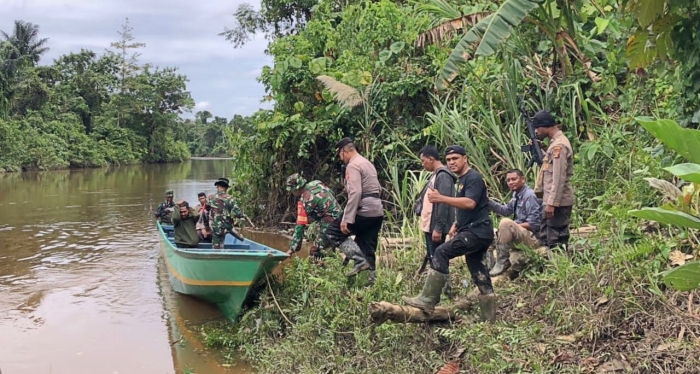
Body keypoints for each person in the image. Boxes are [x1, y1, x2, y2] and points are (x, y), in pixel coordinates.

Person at [402, 145, 496, 321]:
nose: (452, 162)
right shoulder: (462, 179)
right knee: (478, 271)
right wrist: (456, 223)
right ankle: (488, 321)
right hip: (476, 231)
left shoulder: (473, 177)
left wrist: (441, 198)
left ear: (465, 158)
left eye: (455, 159)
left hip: (477, 231)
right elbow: (467, 208)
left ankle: (428, 299)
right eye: (449, 160)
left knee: (441, 251)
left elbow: (470, 203)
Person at [325, 137, 384, 285]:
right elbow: (378, 188)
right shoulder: (367, 163)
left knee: (333, 232)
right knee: (367, 246)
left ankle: (358, 260)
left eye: (339, 154)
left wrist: (347, 219)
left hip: (363, 210)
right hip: (377, 211)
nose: (340, 158)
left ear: (344, 151)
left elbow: (356, 193)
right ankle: (370, 284)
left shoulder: (353, 166)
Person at [488, 169, 543, 276]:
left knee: (505, 223)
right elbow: (505, 211)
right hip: (520, 235)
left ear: (522, 179)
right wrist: (488, 201)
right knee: (488, 231)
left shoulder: (530, 195)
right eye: (508, 180)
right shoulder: (516, 195)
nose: (511, 182)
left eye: (514, 179)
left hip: (533, 238)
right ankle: (489, 265)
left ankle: (503, 262)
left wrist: (512, 227)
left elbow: (534, 224)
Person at [532, 110, 574, 249]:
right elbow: (550, 167)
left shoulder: (559, 146)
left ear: (545, 126)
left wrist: (552, 203)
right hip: (552, 201)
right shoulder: (554, 144)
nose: (536, 131)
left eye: (537, 128)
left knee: (556, 243)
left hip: (558, 203)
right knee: (546, 240)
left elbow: (558, 177)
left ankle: (561, 269)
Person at [416, 146, 456, 276]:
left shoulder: (443, 176)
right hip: (430, 225)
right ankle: (439, 289)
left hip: (435, 226)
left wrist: (438, 227)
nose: (423, 164)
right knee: (433, 258)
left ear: (431, 159)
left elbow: (443, 203)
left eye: (423, 161)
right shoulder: (436, 175)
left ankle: (442, 290)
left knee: (437, 260)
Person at [285, 173, 342, 260]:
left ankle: (321, 270)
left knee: (314, 252)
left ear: (296, 189)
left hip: (330, 223)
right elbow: (331, 193)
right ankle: (333, 261)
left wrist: (292, 249)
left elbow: (300, 226)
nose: (291, 192)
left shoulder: (305, 201)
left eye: (291, 190)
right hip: (341, 216)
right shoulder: (316, 183)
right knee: (326, 240)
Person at [208, 178, 248, 249]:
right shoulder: (231, 198)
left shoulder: (211, 198)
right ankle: (223, 251)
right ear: (226, 188)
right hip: (227, 225)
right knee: (222, 239)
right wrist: (243, 216)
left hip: (216, 225)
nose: (217, 188)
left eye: (217, 186)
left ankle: (216, 255)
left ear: (219, 186)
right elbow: (237, 213)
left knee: (216, 245)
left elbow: (206, 211)